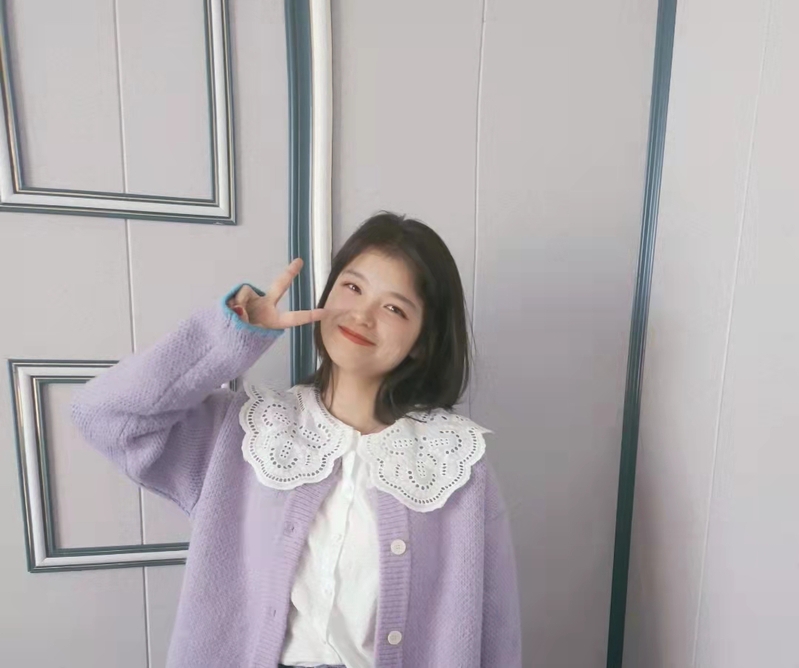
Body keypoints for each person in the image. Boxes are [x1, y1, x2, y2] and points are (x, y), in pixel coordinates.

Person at [72, 212, 521, 668]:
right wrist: (232, 336)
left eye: (394, 308)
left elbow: (496, 632)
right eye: (353, 287)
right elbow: (105, 416)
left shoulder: (455, 464)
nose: (362, 315)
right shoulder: (245, 432)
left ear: (422, 341)